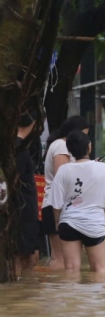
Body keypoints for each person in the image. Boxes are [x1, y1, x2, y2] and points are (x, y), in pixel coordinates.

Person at [47, 131, 105, 275]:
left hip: (68, 223)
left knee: (71, 270)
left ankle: (72, 298)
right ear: (89, 147)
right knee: (99, 270)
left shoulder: (63, 171)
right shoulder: (103, 168)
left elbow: (56, 204)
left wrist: (57, 222)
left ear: (70, 150)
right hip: (94, 224)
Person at [42, 114, 89, 270]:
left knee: (64, 259)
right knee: (60, 259)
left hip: (62, 206)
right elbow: (62, 177)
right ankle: (53, 292)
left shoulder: (61, 145)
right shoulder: (62, 146)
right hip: (56, 205)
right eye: (84, 135)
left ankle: (57, 291)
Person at [14, 111, 40, 273]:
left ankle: (23, 289)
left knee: (32, 256)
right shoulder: (18, 149)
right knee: (20, 256)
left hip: (27, 210)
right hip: (21, 211)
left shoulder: (19, 147)